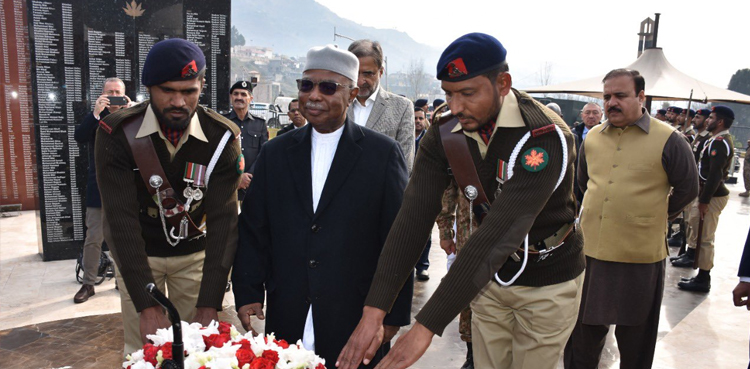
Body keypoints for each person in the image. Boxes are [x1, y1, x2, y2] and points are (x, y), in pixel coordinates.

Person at [337, 32, 585, 369]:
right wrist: (374, 310)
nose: (455, 107)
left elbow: (498, 233)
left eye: (468, 93)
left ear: (503, 83)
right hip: (486, 279)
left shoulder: (543, 136)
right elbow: (413, 218)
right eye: (448, 94)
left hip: (547, 277)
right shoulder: (446, 130)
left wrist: (425, 326)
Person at [231, 44, 412, 369]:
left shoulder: (382, 155)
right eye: (306, 86)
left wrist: (391, 315)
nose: (314, 95)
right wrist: (247, 289)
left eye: (328, 87)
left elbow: (397, 241)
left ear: (352, 92)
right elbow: (255, 227)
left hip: (354, 315)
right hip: (289, 309)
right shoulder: (276, 153)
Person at [95, 38, 242, 355]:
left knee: (198, 351)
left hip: (193, 257)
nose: (178, 101)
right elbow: (119, 220)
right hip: (139, 252)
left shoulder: (221, 138)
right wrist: (146, 305)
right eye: (167, 90)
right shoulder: (117, 133)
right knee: (142, 352)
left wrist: (209, 302)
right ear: (149, 88)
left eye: (189, 91)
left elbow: (223, 223)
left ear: (202, 85)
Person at [564, 69, 698, 369]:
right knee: (582, 337)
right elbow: (583, 185)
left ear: (640, 97)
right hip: (591, 255)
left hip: (640, 257)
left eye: (620, 96)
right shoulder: (593, 138)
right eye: (607, 96)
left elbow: (688, 188)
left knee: (636, 339)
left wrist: (651, 215)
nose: (612, 102)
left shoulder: (669, 140)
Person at [73, 77, 132, 303]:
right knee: (93, 238)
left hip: (123, 189)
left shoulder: (131, 117)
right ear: (102, 94)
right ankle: (89, 283)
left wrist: (132, 111)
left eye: (118, 91)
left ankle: (122, 280)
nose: (114, 95)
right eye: (110, 91)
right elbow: (79, 136)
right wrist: (95, 114)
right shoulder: (96, 118)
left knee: (122, 237)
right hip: (97, 189)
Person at [672, 106, 735, 294]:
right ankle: (699, 270)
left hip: (713, 196)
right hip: (706, 193)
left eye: (712, 118)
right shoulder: (714, 139)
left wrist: (704, 201)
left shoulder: (720, 142)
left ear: (720, 122)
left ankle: (703, 278)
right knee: (697, 229)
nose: (708, 120)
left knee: (705, 238)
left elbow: (715, 175)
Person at [347, 39, 415, 172]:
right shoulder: (338, 104)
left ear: (381, 72)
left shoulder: (402, 108)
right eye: (355, 74)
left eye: (368, 74)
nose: (360, 81)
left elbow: (404, 165)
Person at [223, 80, 268, 201]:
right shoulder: (222, 122)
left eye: (243, 94)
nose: (239, 97)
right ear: (231, 97)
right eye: (236, 94)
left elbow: (263, 154)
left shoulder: (260, 124)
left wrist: (247, 177)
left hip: (252, 186)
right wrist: (236, 178)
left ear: (250, 98)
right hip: (227, 186)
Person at [413, 107, 431, 281]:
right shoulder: (405, 137)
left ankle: (422, 266)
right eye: (415, 118)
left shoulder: (430, 139)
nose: (417, 121)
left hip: (425, 190)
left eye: (420, 118)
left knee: (425, 231)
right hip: (406, 188)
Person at [572, 102, 602, 205]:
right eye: (587, 112)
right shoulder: (572, 135)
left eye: (595, 113)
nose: (591, 116)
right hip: (575, 185)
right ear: (582, 115)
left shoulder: (611, 136)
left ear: (601, 115)